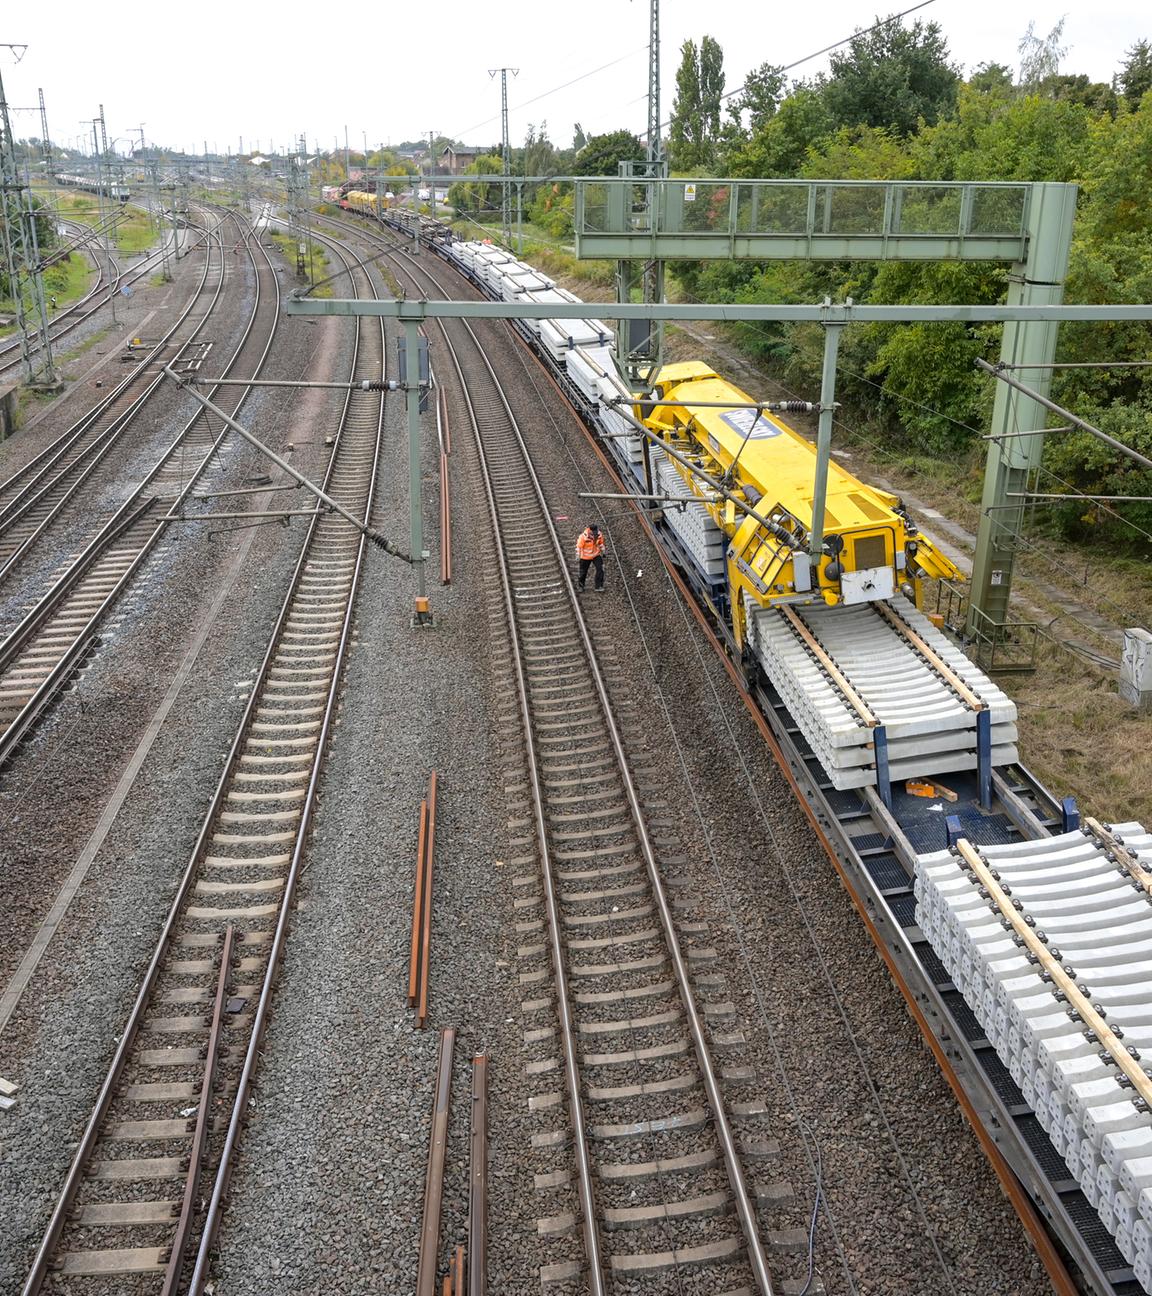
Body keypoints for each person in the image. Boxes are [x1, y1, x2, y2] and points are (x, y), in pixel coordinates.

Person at [576, 522, 606, 592]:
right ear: (590, 531)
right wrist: (578, 555)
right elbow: (579, 547)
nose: (595, 533)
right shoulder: (583, 537)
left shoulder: (599, 534)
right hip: (585, 557)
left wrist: (603, 551)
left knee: (600, 569)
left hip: (595, 555)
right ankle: (581, 586)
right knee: (583, 572)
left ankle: (598, 586)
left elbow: (601, 543)